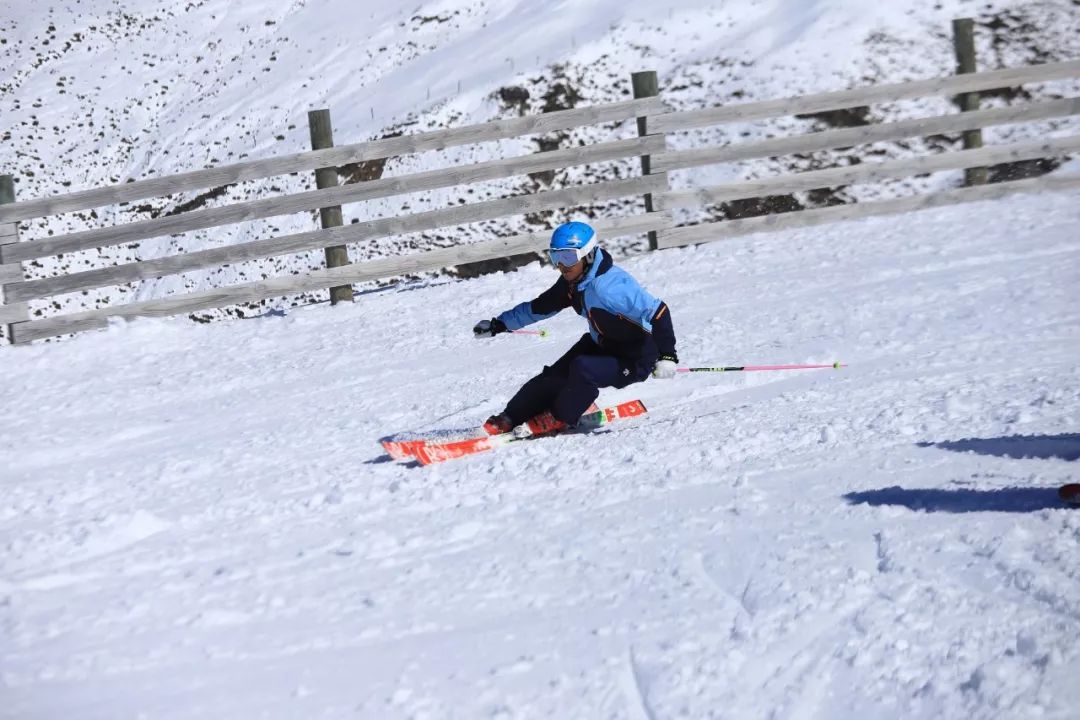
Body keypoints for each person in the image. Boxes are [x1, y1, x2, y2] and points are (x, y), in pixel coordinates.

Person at [472, 221, 678, 436]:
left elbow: (659, 312)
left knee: (582, 368)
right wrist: (499, 324)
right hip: (603, 345)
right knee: (554, 375)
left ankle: (559, 416)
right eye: (556, 257)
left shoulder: (610, 286)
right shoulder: (573, 283)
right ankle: (511, 416)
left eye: (569, 257)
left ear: (587, 255)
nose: (562, 265)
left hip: (635, 357)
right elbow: (539, 307)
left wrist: (668, 356)